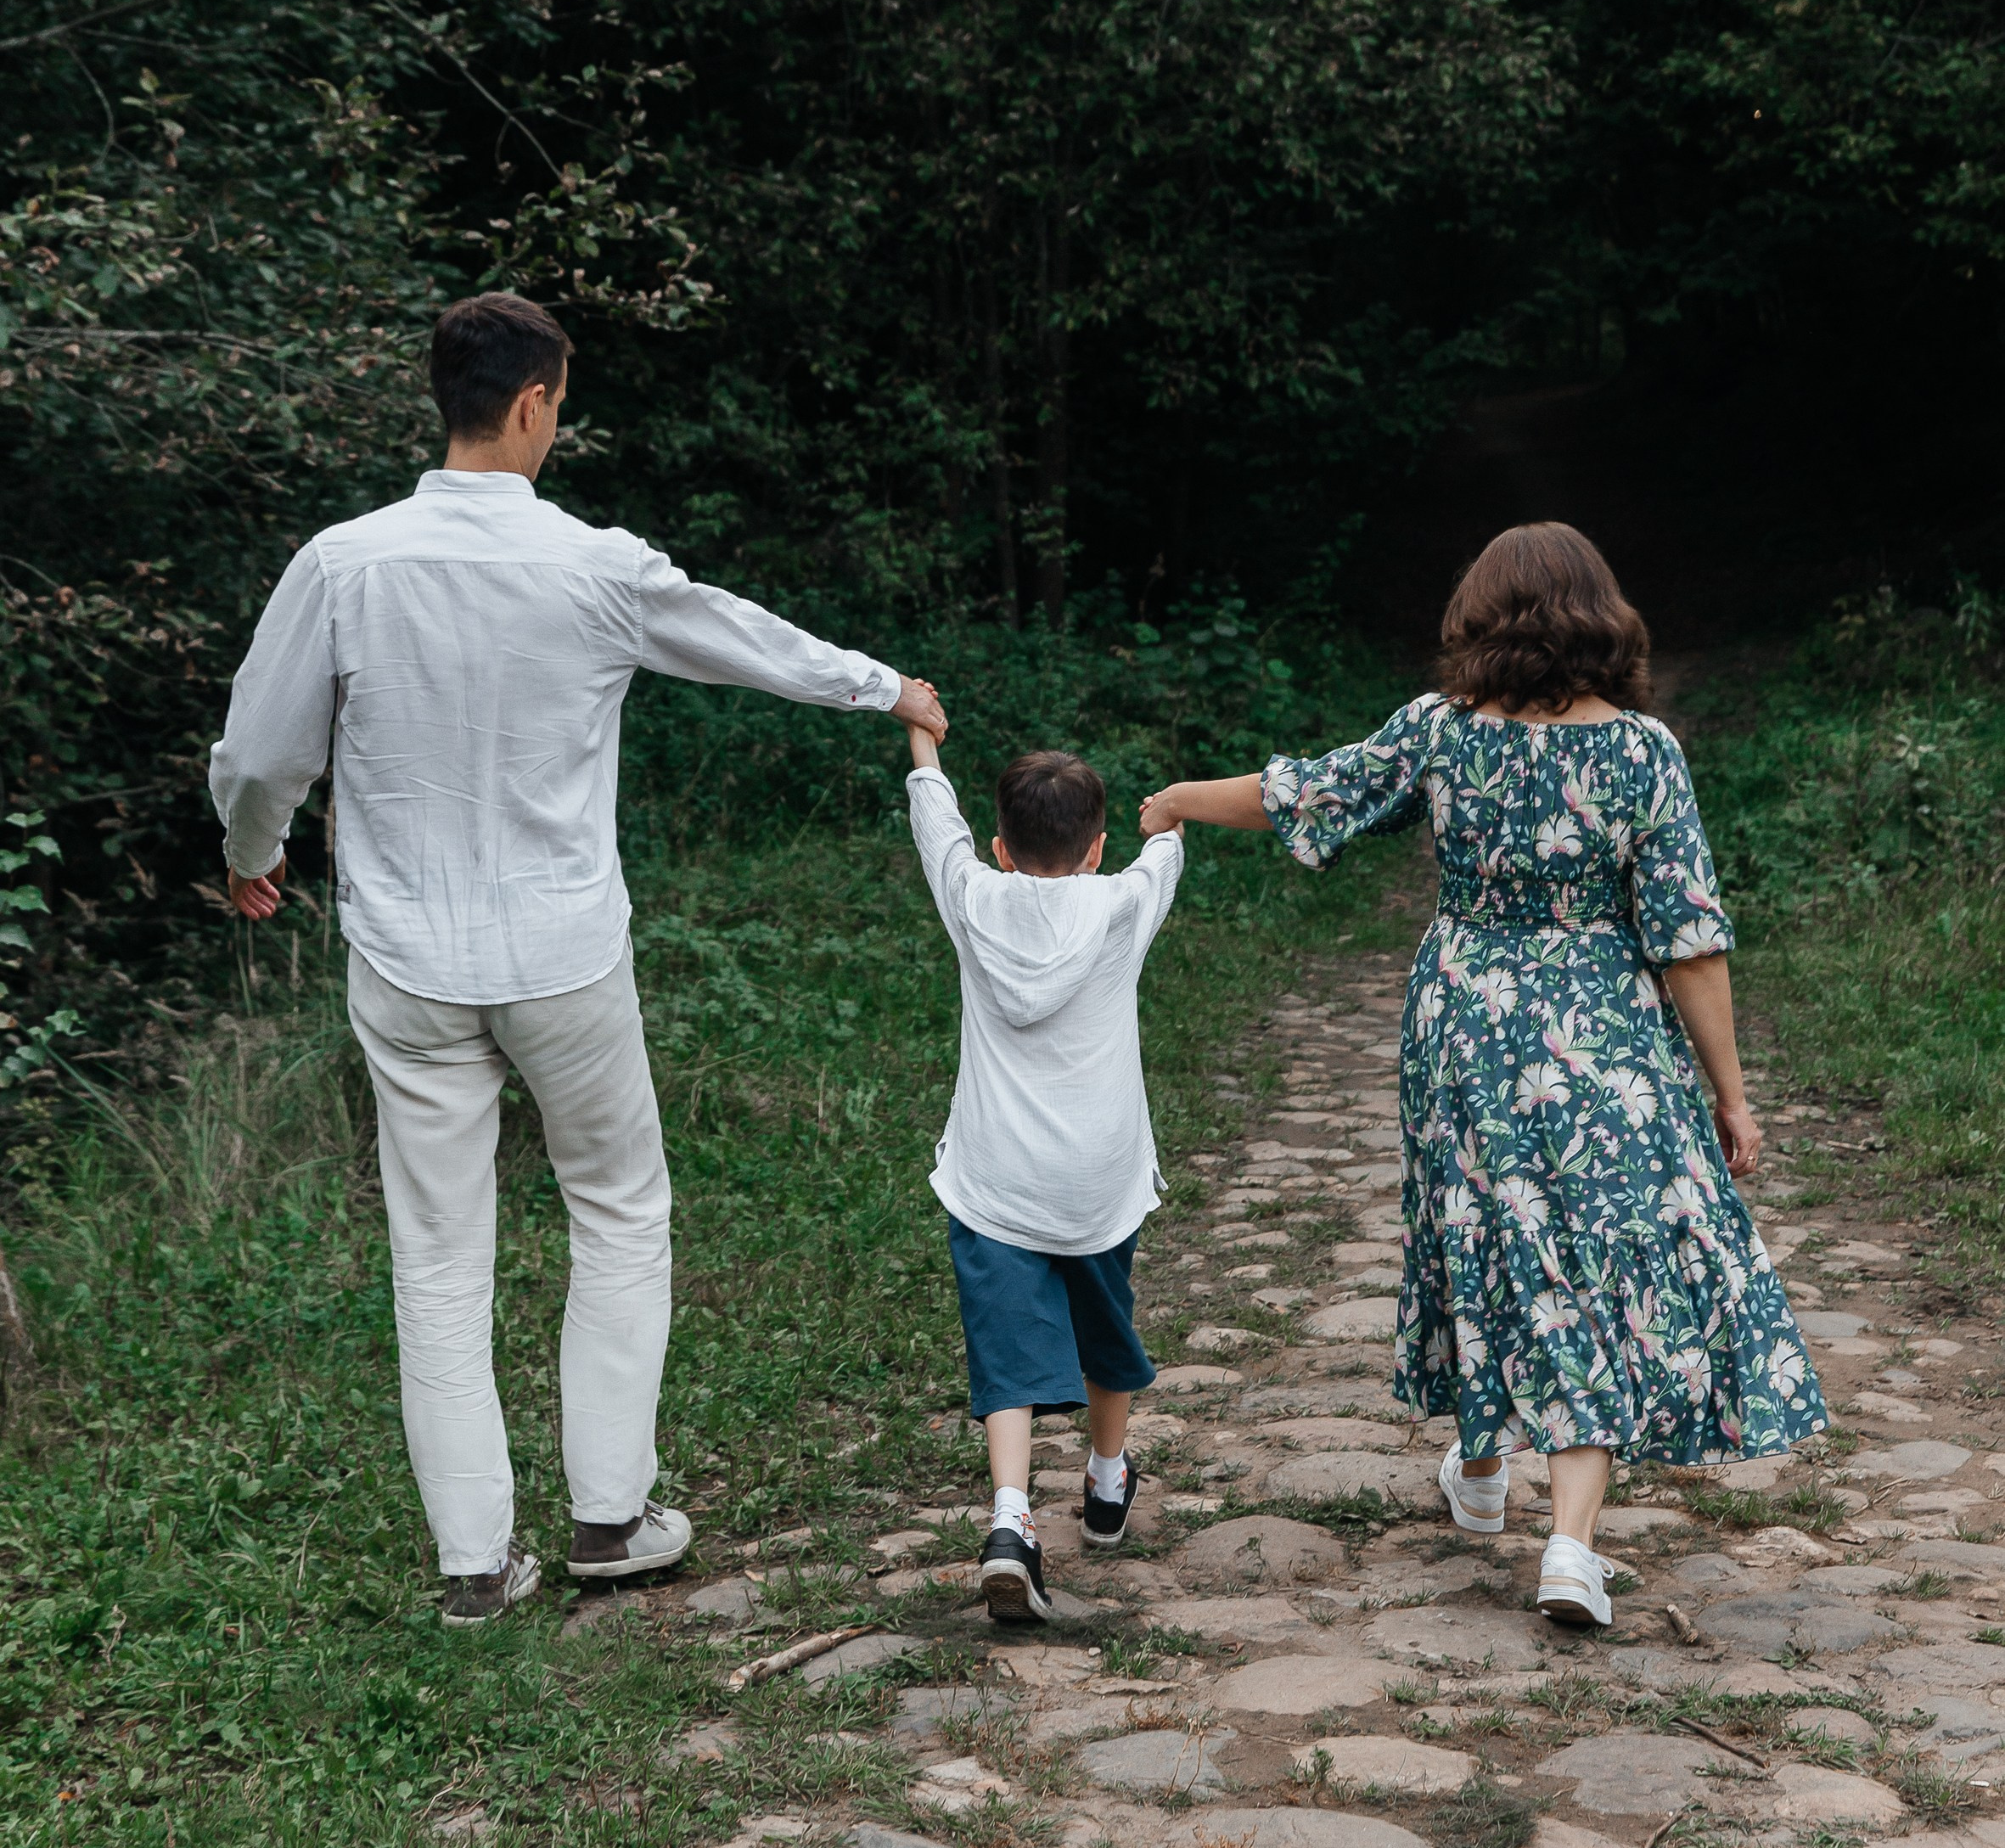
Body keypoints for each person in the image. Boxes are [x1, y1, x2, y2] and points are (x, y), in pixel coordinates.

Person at [211, 291, 947, 1626]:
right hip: (561, 953)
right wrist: (878, 684)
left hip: (409, 958)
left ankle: (474, 1563)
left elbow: (262, 754)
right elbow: (741, 638)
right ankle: (611, 1516)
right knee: (616, 1206)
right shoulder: (594, 563)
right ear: (537, 400)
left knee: (437, 1253)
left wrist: (253, 846)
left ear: (444, 397)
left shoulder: (342, 563)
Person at [1137, 520, 1826, 1632]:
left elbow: (1302, 791)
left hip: (1463, 1019)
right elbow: (1689, 940)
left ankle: (1479, 1458)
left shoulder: (1442, 734)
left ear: (1482, 619)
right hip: (1601, 1026)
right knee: (1592, 1252)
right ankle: (1567, 1541)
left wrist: (1176, 797)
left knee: (1478, 1227)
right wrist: (1730, 1094)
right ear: (1601, 618)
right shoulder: (1644, 753)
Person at [905, 722, 1185, 1622]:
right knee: (1103, 1318)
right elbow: (1166, 846)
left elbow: (933, 826)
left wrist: (921, 740)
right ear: (1097, 846)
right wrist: (1169, 815)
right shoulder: (1122, 902)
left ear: (999, 847)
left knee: (1006, 1345)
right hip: (1098, 1175)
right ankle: (1106, 1482)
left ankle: (1010, 1518)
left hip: (995, 1174)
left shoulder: (971, 897)